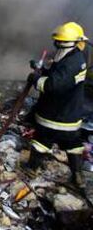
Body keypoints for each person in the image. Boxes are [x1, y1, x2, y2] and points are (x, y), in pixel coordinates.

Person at [26, 22, 88, 187]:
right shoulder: (71, 56)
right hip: (70, 115)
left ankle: (32, 168)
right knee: (73, 144)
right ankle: (78, 174)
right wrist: (41, 70)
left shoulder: (72, 62)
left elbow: (52, 86)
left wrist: (35, 79)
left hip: (56, 115)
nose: (57, 44)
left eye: (60, 41)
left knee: (41, 141)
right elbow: (57, 76)